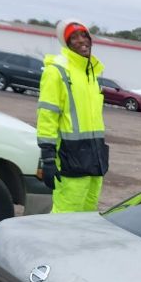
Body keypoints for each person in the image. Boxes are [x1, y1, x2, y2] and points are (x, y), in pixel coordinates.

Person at [37, 19, 108, 213]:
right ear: (66, 43)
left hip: (94, 159)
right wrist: (48, 158)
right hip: (70, 159)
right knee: (65, 218)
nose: (81, 40)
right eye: (74, 37)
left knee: (88, 216)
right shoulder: (57, 71)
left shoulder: (90, 72)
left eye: (84, 35)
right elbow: (47, 116)